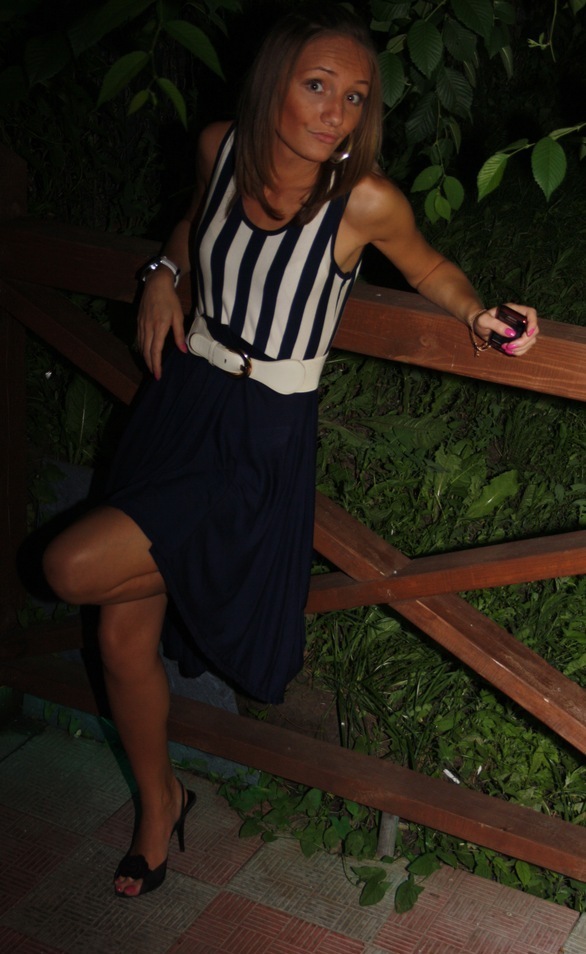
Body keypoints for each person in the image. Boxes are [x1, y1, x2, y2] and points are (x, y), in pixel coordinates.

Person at [42, 1, 539, 899]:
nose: (335, 112)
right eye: (318, 85)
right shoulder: (220, 148)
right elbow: (193, 226)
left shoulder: (363, 201)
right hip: (180, 400)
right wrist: (163, 275)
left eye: (355, 96)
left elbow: (429, 268)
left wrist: (477, 313)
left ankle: (210, 621)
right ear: (275, 82)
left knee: (72, 566)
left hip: (260, 435)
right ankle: (160, 804)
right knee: (120, 635)